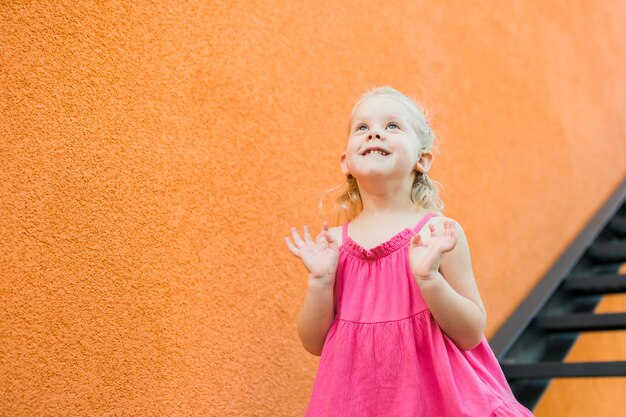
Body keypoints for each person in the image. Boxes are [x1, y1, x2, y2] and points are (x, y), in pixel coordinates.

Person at [284, 86, 535, 416]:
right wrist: (319, 281)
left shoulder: (438, 234)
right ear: (345, 162)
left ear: (422, 159)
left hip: (436, 403)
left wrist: (429, 279)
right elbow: (314, 342)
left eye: (392, 126)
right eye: (362, 127)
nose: (375, 132)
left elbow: (471, 332)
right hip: (358, 403)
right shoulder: (332, 245)